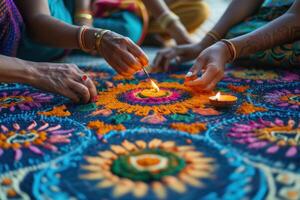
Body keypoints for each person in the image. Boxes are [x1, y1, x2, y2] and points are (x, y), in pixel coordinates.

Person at [0, 0, 148, 103]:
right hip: (28, 33)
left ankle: (67, 35)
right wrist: (35, 72)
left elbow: (38, 14)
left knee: (129, 27)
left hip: (59, 7)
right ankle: (64, 38)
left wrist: (86, 21)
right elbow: (37, 22)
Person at [152, 0, 300, 91]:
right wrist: (204, 44)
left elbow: (296, 17)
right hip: (268, 13)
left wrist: (229, 48)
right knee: (234, 32)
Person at [71, 0, 209, 46]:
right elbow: (83, 21)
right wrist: (83, 18)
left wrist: (176, 28)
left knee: (199, 11)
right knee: (128, 29)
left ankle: (142, 32)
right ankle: (142, 35)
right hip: (95, 6)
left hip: (136, 6)